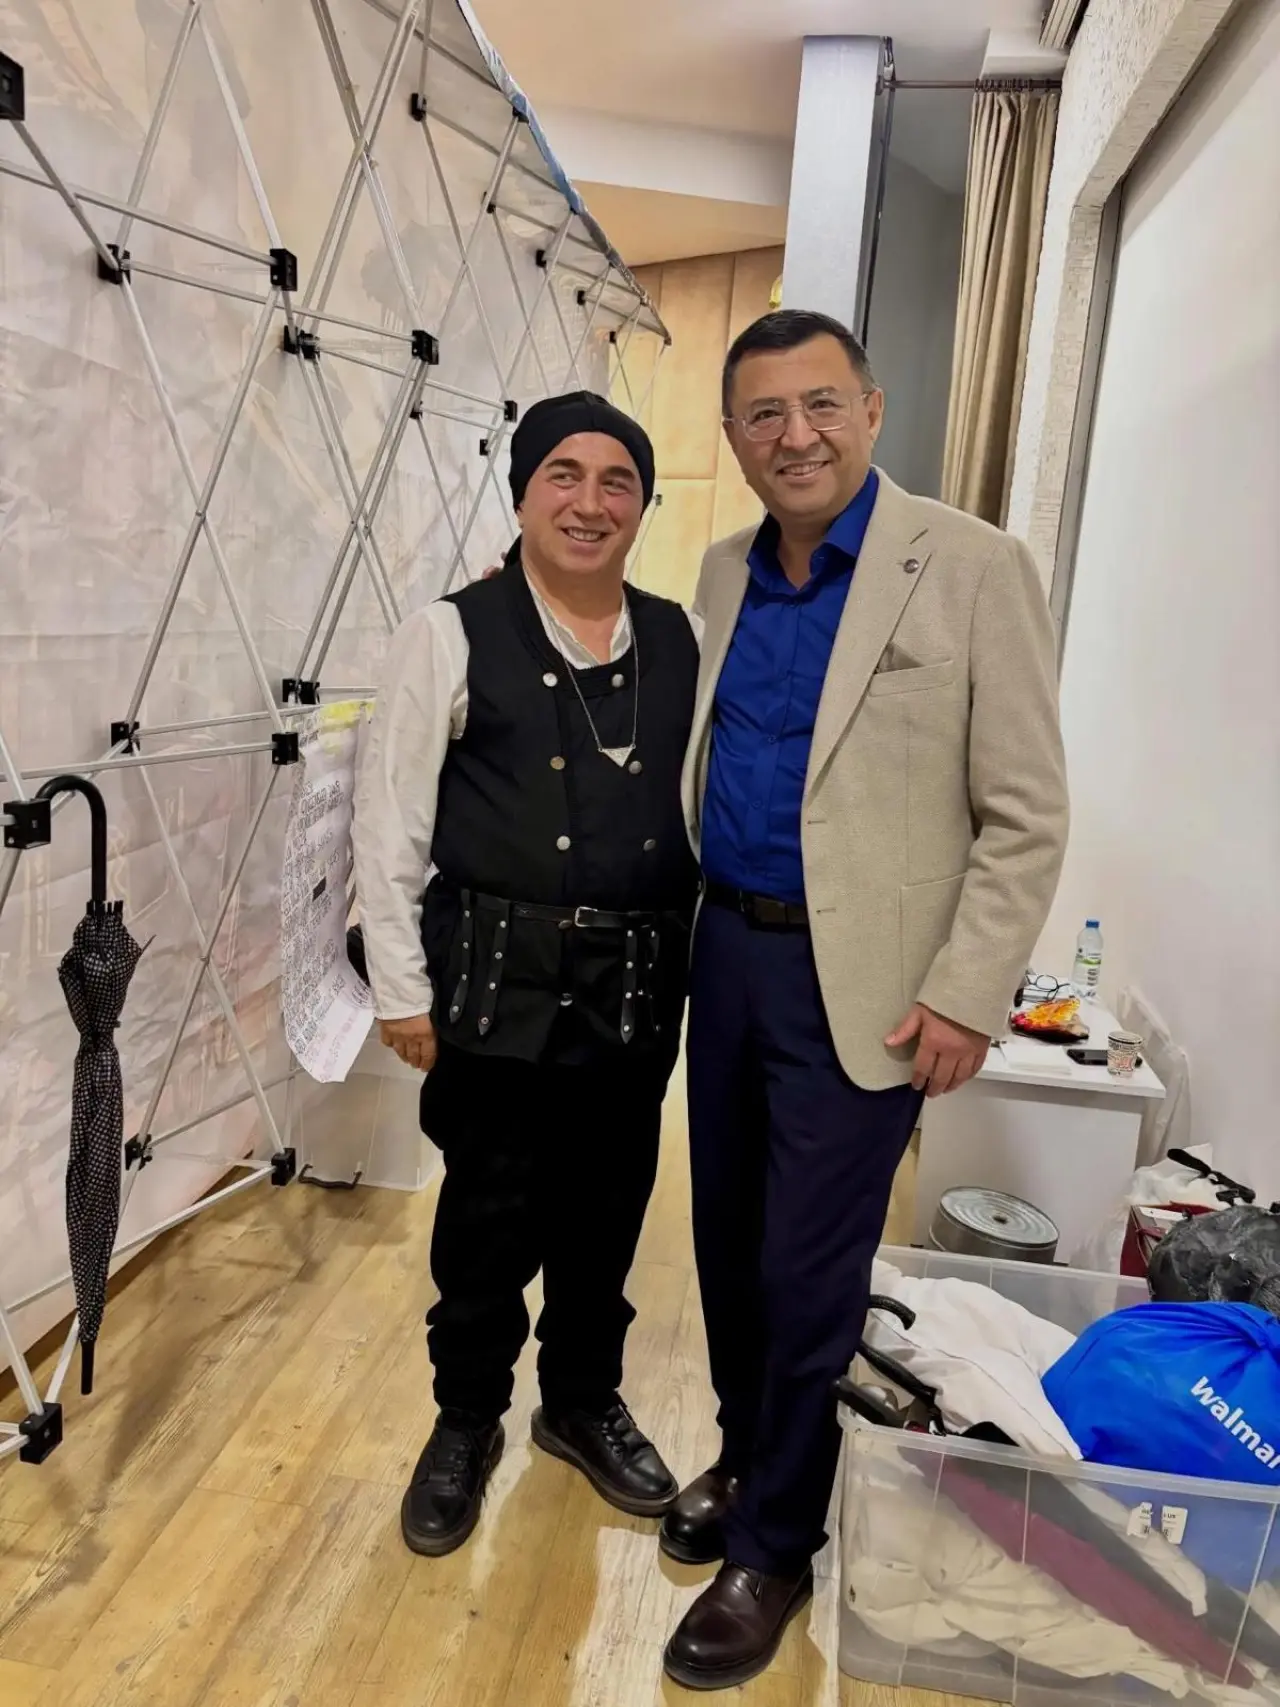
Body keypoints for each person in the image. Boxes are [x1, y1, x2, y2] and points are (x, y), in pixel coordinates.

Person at [659, 310, 1070, 1691]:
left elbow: (1024, 813)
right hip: (728, 954)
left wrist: (966, 992)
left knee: (806, 1268)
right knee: (726, 1243)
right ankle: (747, 1453)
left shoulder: (971, 566)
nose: (796, 435)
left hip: (875, 993)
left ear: (873, 409)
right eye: (764, 414)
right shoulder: (721, 570)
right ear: (734, 436)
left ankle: (775, 1542)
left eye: (821, 403)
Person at [353, 391, 700, 1559]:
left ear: (642, 504)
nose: (590, 502)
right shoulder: (447, 632)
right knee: (487, 1219)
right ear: (520, 493)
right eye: (564, 474)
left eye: (617, 481)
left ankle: (579, 1402)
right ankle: (464, 1420)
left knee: (606, 1212)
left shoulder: (682, 639)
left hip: (634, 987)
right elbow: (387, 823)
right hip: (491, 982)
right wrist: (399, 989)